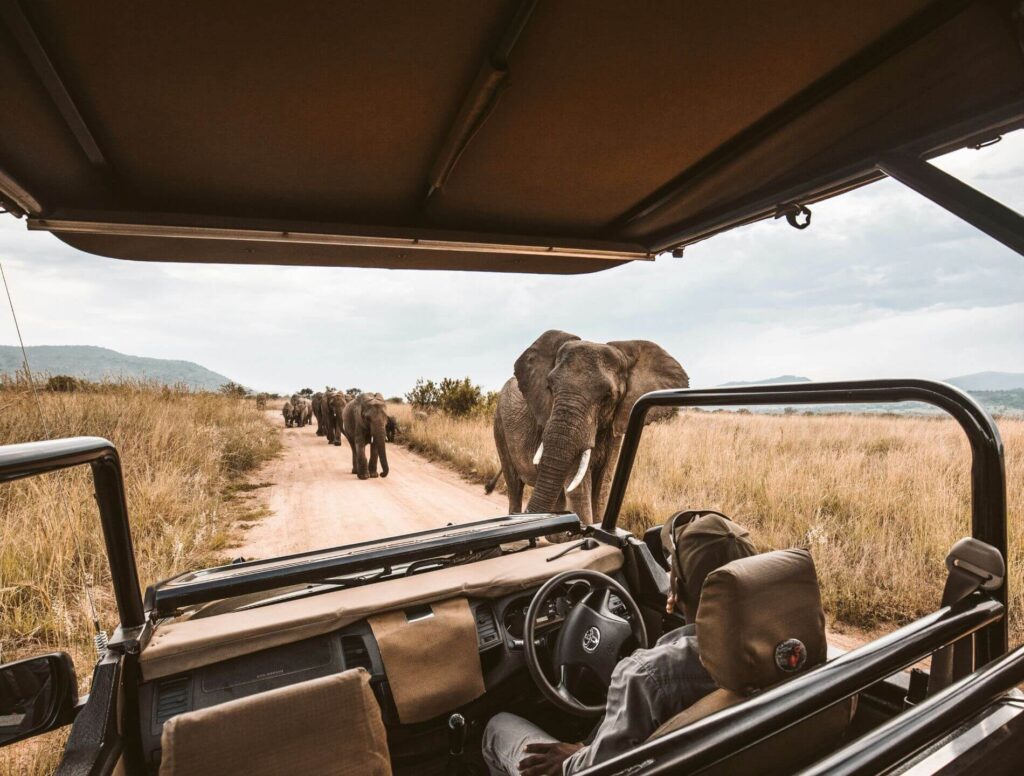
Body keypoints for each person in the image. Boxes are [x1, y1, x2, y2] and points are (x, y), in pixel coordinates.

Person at [482, 512, 757, 776]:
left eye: (671, 567)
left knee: (496, 727)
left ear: (674, 590)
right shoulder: (780, 648)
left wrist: (571, 761)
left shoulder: (647, 674)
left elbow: (594, 770)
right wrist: (584, 748)